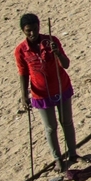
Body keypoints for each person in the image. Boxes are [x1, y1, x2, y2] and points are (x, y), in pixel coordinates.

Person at [16, 13, 77, 172]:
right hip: (41, 93)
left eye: (35, 29)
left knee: (67, 122)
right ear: (23, 31)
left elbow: (66, 64)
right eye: (28, 30)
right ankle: (58, 159)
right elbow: (23, 73)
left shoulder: (52, 41)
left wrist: (58, 53)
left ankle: (73, 153)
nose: (32, 33)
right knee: (50, 127)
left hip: (61, 87)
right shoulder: (21, 50)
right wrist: (24, 96)